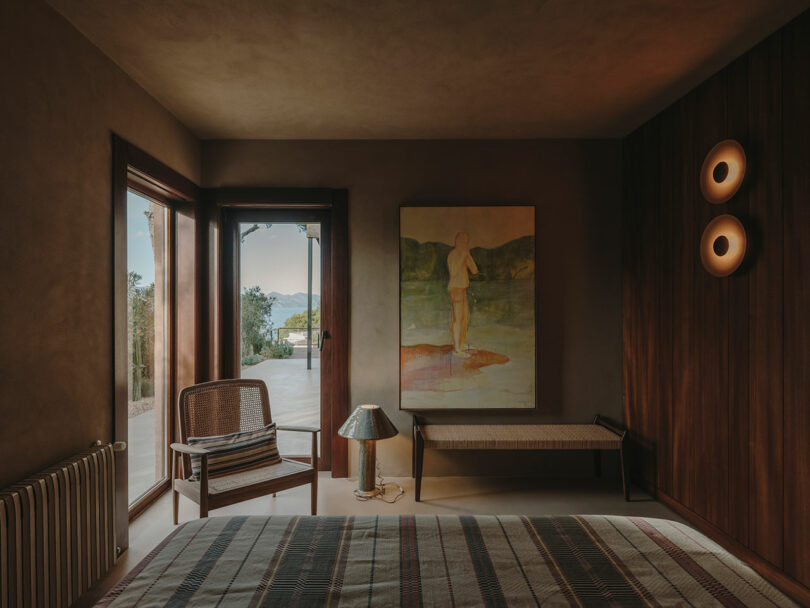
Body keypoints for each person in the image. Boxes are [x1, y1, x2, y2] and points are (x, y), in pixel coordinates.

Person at [446, 231, 478, 357]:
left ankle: (462, 343)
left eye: (466, 242)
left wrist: (468, 255)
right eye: (463, 241)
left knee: (465, 317)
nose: (465, 244)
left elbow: (475, 270)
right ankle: (457, 349)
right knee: (458, 319)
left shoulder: (463, 254)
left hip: (463, 288)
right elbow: (454, 272)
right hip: (455, 288)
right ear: (457, 241)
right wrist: (462, 256)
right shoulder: (453, 255)